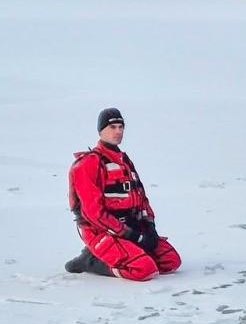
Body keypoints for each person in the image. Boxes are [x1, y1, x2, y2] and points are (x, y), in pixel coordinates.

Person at [64, 108, 181, 280]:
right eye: (112, 127)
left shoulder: (124, 161)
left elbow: (141, 198)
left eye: (121, 127)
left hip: (132, 226)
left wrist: (150, 228)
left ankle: (121, 252)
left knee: (171, 261)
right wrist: (131, 235)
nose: (118, 131)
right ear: (101, 130)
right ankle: (90, 260)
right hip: (102, 232)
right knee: (145, 270)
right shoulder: (88, 164)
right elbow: (93, 213)